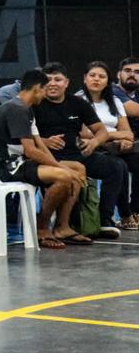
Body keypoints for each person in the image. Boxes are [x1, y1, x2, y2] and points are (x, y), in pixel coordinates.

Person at [0, 69, 87, 248]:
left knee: (78, 168)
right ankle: (41, 226)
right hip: (6, 166)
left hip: (20, 162)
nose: (46, 94)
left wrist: (64, 167)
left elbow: (41, 146)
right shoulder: (16, 109)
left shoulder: (27, 109)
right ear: (37, 88)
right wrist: (62, 170)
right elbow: (31, 151)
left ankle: (62, 227)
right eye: (45, 89)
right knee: (63, 177)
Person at [34, 62, 123, 238]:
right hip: (48, 158)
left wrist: (94, 143)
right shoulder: (36, 103)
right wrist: (45, 141)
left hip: (77, 154)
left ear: (66, 83)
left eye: (57, 80)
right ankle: (60, 225)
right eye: (48, 80)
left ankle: (104, 220)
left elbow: (101, 130)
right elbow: (23, 137)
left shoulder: (77, 103)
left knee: (116, 166)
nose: (52, 84)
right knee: (74, 171)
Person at [77, 61, 139, 230]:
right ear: (85, 78)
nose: (96, 79)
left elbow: (128, 133)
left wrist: (124, 139)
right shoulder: (78, 100)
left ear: (107, 81)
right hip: (93, 148)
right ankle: (110, 217)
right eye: (92, 75)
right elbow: (83, 133)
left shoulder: (115, 101)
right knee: (118, 166)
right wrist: (112, 135)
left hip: (114, 147)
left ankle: (134, 212)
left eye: (101, 76)